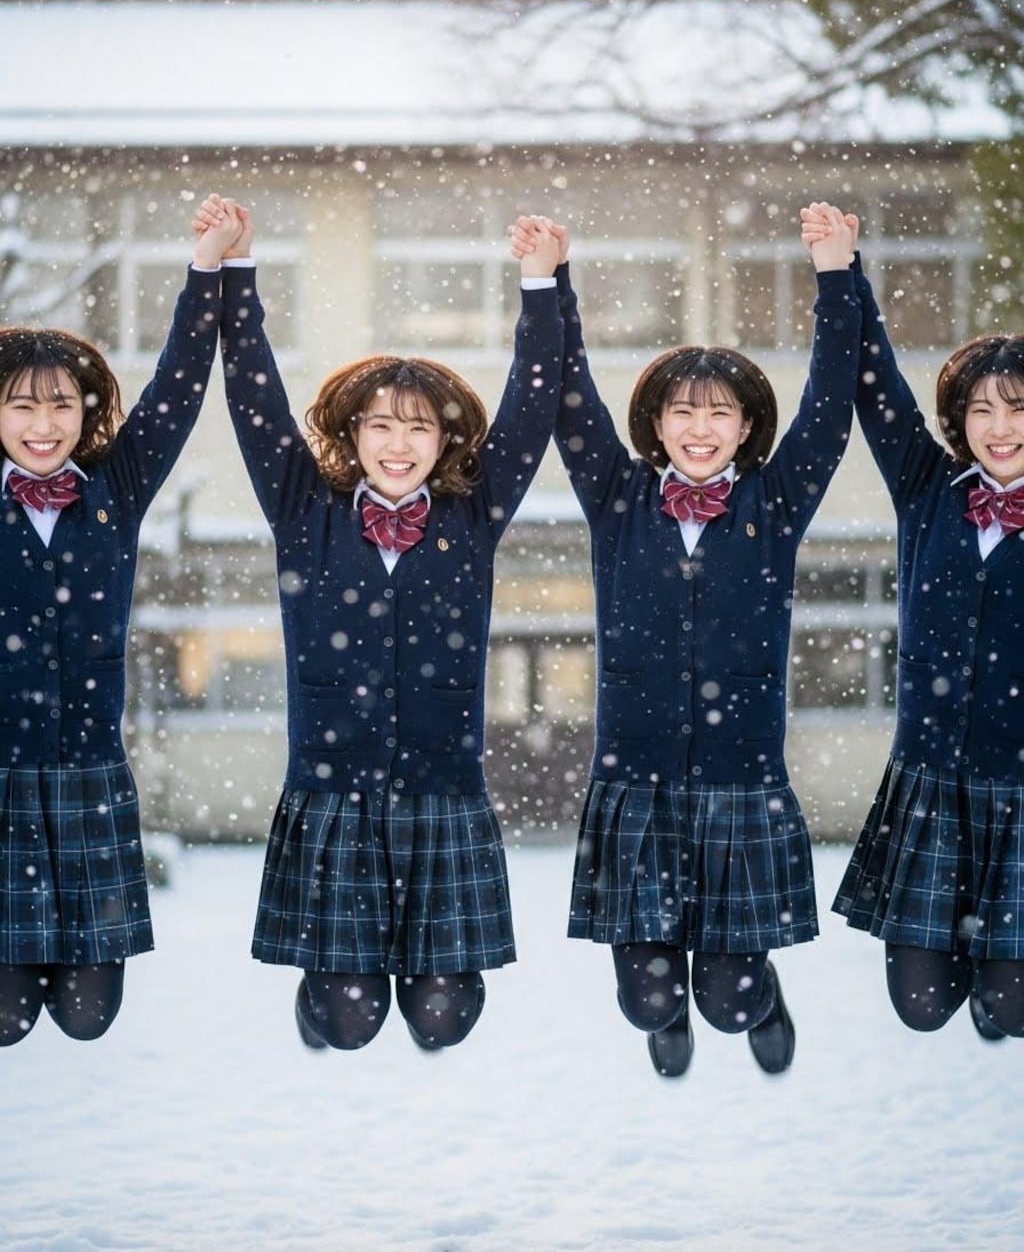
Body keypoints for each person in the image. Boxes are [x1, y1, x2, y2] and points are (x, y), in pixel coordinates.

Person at [193, 193, 564, 1052]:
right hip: (333, 799)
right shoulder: (303, 510)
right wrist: (237, 270)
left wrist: (541, 286)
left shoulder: (470, 520)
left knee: (444, 1020)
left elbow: (533, 406)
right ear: (352, 435)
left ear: (446, 441)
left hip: (445, 800)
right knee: (351, 1022)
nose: (400, 444)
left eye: (420, 429)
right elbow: (252, 393)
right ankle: (321, 997)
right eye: (382, 426)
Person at [512, 205, 861, 1077]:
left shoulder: (775, 506)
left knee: (730, 1000)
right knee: (649, 999)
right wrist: (549, 285)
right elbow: (566, 392)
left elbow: (830, 400)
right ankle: (665, 1018)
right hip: (636, 787)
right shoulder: (619, 501)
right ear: (656, 425)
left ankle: (761, 994)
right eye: (681, 412)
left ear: (747, 428)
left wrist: (835, 278)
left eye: (720, 413)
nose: (700, 428)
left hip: (744, 785)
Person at [0, 201, 238, 1045]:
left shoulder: (114, 493)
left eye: (61, 406)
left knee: (87, 1018)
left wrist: (207, 268)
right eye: (22, 408)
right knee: (7, 1019)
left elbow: (178, 386)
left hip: (90, 778)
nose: (43, 426)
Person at [802, 201, 1024, 1042]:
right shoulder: (931, 494)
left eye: (1018, 408)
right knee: (922, 1008)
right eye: (982, 410)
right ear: (960, 422)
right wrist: (840, 272)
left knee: (1009, 1007)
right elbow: (873, 381)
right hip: (931, 786)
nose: (1000, 428)